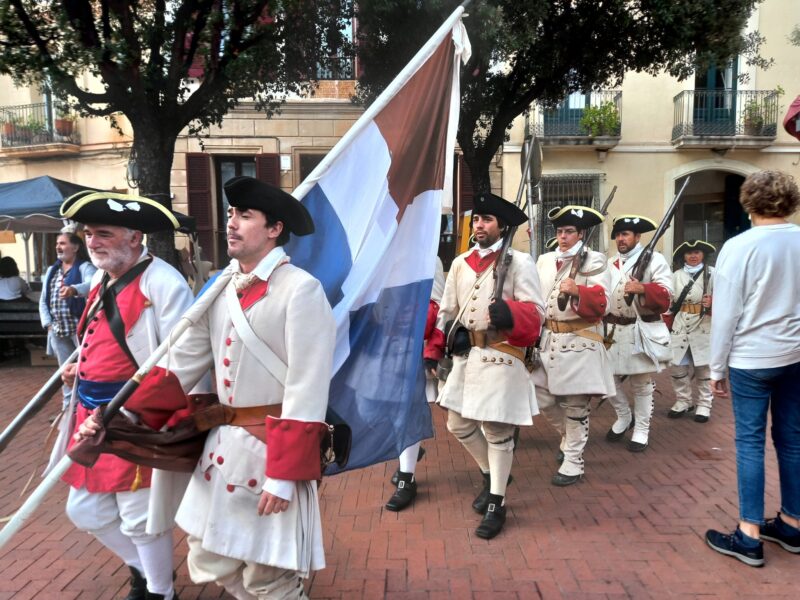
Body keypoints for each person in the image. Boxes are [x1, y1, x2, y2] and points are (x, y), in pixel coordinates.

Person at [127, 176, 335, 598]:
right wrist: (125, 413)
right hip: (221, 452)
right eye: (230, 215)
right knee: (209, 559)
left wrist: (285, 474)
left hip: (268, 452)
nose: (232, 224)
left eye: (245, 215)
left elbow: (307, 385)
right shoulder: (222, 287)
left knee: (268, 577)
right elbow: (183, 363)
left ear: (275, 229)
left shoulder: (301, 290)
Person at [55, 191, 195, 600]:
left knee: (140, 517)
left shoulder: (164, 283)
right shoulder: (101, 277)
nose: (92, 242)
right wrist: (77, 367)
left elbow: (181, 362)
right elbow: (98, 338)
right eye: (87, 234)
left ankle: (159, 591)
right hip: (90, 414)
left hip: (137, 416)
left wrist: (135, 414)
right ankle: (143, 569)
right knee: (84, 509)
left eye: (103, 233)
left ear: (135, 238)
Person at [424, 192, 544, 539]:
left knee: (496, 431)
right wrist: (434, 348)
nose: (479, 225)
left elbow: (536, 314)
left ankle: (497, 502)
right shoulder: (461, 263)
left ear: (501, 226)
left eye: (487, 220)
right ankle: (494, 475)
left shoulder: (520, 262)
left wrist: (510, 313)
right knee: (457, 425)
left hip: (503, 354)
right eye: (477, 219)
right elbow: (447, 312)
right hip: (468, 357)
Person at [705, 170, 800, 567]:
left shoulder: (739, 247)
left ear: (749, 202)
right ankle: (793, 523)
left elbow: (725, 314)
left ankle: (748, 534)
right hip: (795, 355)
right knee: (792, 440)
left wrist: (715, 367)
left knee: (749, 442)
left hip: (751, 358)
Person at [533, 206, 615, 486]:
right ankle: (569, 438)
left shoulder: (596, 260)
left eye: (569, 231)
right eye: (559, 231)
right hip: (548, 341)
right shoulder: (544, 260)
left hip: (581, 342)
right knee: (541, 396)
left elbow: (605, 301)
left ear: (581, 233)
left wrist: (578, 290)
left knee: (576, 406)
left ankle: (573, 462)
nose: (563, 236)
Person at [604, 215, 673, 452]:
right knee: (607, 380)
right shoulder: (610, 262)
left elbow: (667, 294)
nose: (620, 239)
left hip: (640, 328)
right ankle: (624, 417)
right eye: (618, 235)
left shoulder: (655, 259)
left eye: (625, 234)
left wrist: (643, 288)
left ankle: (642, 429)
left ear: (638, 237)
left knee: (642, 384)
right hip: (613, 330)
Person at [384, 253, 444, 512]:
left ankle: (406, 479)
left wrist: (431, 353)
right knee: (376, 407)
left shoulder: (429, 257)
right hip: (384, 345)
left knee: (405, 412)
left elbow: (437, 308)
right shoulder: (384, 251)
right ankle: (409, 449)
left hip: (413, 346)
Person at [38, 229, 97, 409]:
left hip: (80, 328)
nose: (58, 247)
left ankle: (87, 407)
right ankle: (68, 410)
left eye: (63, 243)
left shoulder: (85, 267)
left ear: (76, 247)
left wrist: (74, 289)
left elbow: (93, 285)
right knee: (65, 372)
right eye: (57, 244)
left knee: (86, 370)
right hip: (58, 329)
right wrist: (48, 324)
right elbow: (43, 299)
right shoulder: (52, 270)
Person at [665, 240, 715, 423]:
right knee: (677, 368)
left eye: (697, 252)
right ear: (683, 256)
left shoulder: (713, 274)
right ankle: (683, 401)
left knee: (703, 369)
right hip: (680, 325)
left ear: (703, 255)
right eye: (689, 253)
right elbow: (668, 302)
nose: (693, 256)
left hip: (703, 325)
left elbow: (729, 299)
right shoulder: (675, 276)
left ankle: (704, 404)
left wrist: (713, 303)